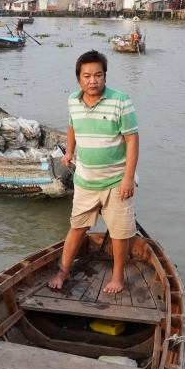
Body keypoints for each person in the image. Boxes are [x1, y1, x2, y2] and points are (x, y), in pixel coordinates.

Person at [48, 51, 139, 294]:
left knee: (120, 233)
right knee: (77, 226)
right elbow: (72, 125)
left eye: (98, 75)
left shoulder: (121, 100)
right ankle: (63, 270)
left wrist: (128, 178)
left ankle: (118, 277)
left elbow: (132, 140)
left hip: (116, 181)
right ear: (79, 79)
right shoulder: (73, 101)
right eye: (87, 76)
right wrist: (69, 152)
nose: (93, 80)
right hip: (85, 181)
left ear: (105, 76)